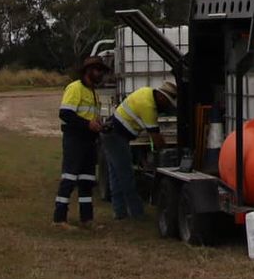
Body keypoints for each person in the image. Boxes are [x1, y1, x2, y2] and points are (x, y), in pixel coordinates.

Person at [99, 79, 174, 220]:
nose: (166, 106)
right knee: (126, 175)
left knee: (116, 175)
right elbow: (156, 137)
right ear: (161, 96)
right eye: (167, 102)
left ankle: (119, 212)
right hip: (117, 137)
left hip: (111, 134)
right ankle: (136, 212)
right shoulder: (148, 106)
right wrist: (167, 152)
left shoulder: (146, 91)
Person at [52, 56, 107, 229]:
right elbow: (65, 114)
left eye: (101, 71)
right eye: (97, 70)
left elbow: (90, 116)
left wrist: (98, 125)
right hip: (75, 140)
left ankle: (87, 219)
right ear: (88, 71)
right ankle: (59, 219)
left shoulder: (93, 92)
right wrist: (87, 124)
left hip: (89, 141)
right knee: (69, 179)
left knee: (87, 181)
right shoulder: (75, 88)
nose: (100, 74)